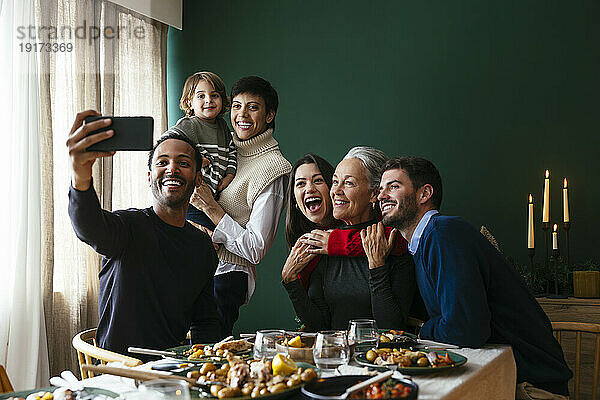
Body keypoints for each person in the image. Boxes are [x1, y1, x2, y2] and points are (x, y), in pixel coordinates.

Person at [377, 156, 572, 399]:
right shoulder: (423, 243)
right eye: (381, 188)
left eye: (393, 186)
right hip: (509, 379)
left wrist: (425, 329)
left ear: (424, 193)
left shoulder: (442, 234)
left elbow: (465, 330)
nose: (381, 195)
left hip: (531, 387)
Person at [67, 110, 221, 358]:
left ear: (197, 180)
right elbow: (89, 226)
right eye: (162, 162)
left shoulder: (202, 245)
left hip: (172, 375)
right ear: (150, 177)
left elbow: (206, 323)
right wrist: (80, 175)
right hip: (120, 374)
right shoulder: (128, 226)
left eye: (183, 163)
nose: (172, 169)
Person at [190, 76, 292, 336]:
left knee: (208, 356)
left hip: (226, 274)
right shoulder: (221, 143)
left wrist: (212, 210)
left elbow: (256, 248)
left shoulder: (273, 168)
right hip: (193, 265)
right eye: (236, 106)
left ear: (270, 115)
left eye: (253, 107)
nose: (242, 115)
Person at [283, 147, 417, 331]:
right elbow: (320, 325)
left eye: (349, 183)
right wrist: (290, 282)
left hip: (381, 357)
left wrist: (377, 267)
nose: (336, 191)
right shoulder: (325, 242)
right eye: (335, 182)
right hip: (336, 356)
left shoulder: (393, 242)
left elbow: (391, 327)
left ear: (373, 194)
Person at [281, 153, 409, 289]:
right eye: (300, 183)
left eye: (318, 180)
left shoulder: (359, 218)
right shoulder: (301, 243)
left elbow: (398, 238)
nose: (309, 189)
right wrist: (290, 279)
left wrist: (337, 242)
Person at [167, 71, 237, 230]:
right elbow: (165, 144)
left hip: (213, 197)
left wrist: (229, 175)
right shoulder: (189, 125)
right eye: (201, 96)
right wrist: (194, 158)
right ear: (189, 102)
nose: (208, 100)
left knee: (216, 235)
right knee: (206, 235)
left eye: (214, 96)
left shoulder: (223, 127)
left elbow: (232, 152)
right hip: (192, 198)